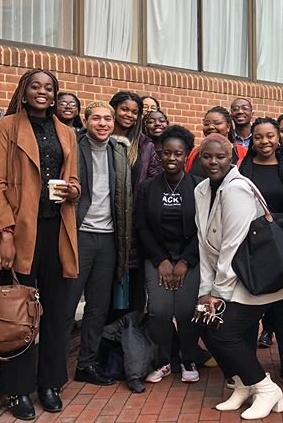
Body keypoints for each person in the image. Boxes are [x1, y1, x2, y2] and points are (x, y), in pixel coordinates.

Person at [0, 69, 80, 420]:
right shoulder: (7, 127)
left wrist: (72, 190)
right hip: (20, 233)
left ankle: (50, 383)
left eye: (49, 88)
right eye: (35, 86)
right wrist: (5, 234)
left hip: (58, 231)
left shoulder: (67, 132)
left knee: (56, 311)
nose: (42, 92)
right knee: (20, 313)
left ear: (55, 95)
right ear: (24, 92)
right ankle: (17, 388)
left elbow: (74, 180)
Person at [194, 133, 283, 419]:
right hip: (224, 276)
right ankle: (242, 384)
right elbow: (204, 243)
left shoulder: (237, 188)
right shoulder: (201, 189)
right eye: (207, 156)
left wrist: (217, 294)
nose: (213, 161)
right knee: (203, 321)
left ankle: (265, 388)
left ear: (233, 159)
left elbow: (232, 246)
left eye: (220, 156)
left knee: (224, 332)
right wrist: (204, 290)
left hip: (252, 276)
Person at [64, 101, 132, 387]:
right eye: (96, 119)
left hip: (108, 238)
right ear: (86, 121)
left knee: (98, 307)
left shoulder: (119, 151)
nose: (103, 123)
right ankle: (53, 366)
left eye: (107, 119)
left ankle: (87, 364)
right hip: (78, 234)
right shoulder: (73, 146)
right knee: (66, 305)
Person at [239, 117, 283, 389]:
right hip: (253, 251)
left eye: (270, 136)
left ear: (278, 138)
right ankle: (247, 368)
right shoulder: (242, 171)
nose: (264, 141)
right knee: (248, 311)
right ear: (252, 141)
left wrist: (282, 225)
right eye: (258, 137)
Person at [136, 126, 202, 385]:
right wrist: (161, 260)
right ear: (159, 155)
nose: (171, 158)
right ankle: (164, 360)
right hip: (158, 258)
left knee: (187, 311)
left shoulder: (199, 187)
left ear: (186, 155)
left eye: (178, 153)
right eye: (166, 153)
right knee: (159, 311)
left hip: (190, 258)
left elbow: (205, 229)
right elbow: (142, 226)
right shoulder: (148, 187)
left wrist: (185, 261)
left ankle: (189, 358)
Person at [109, 91, 162, 312]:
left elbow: (153, 182)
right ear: (113, 109)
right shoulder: (99, 136)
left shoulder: (145, 146)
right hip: (103, 221)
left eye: (134, 112)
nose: (129, 115)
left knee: (134, 288)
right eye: (124, 109)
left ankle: (131, 338)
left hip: (133, 224)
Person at [185, 107, 246, 177]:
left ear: (228, 127)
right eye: (206, 124)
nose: (211, 127)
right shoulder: (195, 153)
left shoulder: (241, 153)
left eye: (217, 123)